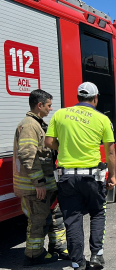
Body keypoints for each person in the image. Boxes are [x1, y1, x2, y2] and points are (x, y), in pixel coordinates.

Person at [45, 82, 116, 270]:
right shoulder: (102, 119)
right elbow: (110, 152)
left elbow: (49, 141)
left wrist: (63, 148)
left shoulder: (59, 114)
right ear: (95, 98)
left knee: (73, 218)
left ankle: (77, 261)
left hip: (66, 177)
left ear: (78, 97)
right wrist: (112, 176)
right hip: (92, 177)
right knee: (98, 212)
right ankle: (96, 256)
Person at [13, 89, 69, 266]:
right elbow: (28, 154)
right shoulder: (30, 125)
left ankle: (57, 246)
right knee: (38, 220)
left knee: (55, 215)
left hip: (47, 183)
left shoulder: (38, 124)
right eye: (49, 105)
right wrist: (38, 183)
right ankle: (33, 254)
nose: (51, 109)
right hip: (34, 186)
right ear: (40, 105)